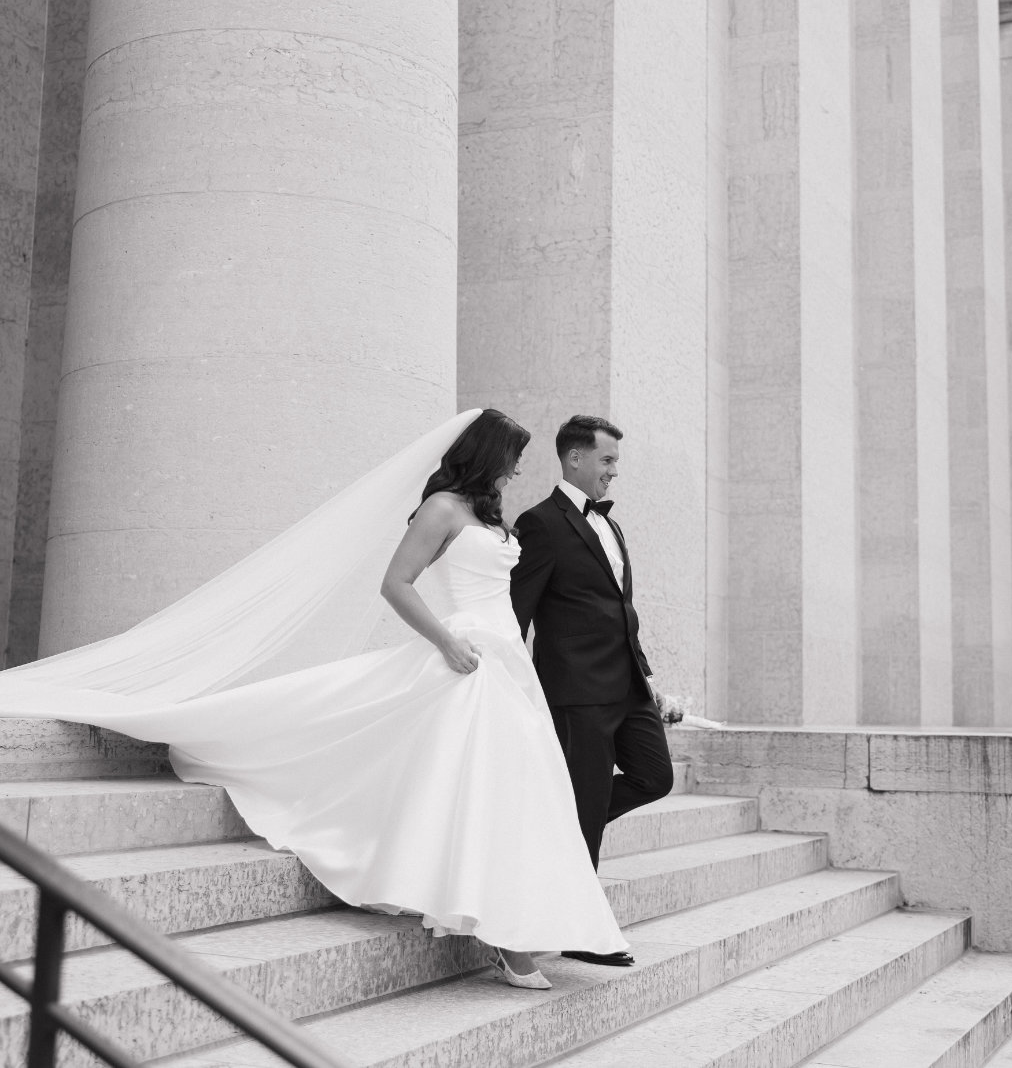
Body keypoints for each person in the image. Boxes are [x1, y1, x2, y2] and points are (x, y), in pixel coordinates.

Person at [0, 407, 625, 990]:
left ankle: (515, 920)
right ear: (486, 455)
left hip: (508, 663)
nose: (518, 469)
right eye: (512, 457)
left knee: (519, 791)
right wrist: (444, 644)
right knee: (482, 786)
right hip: (465, 655)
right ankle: (503, 933)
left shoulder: (493, 517)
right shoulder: (441, 510)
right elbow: (396, 584)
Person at [510, 414, 675, 969]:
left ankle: (571, 824)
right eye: (607, 461)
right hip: (575, 690)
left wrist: (646, 679)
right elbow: (517, 612)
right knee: (582, 808)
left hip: (628, 684)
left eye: (615, 463)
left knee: (656, 777)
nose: (613, 473)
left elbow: (620, 610)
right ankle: (579, 929)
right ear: (574, 459)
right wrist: (515, 686)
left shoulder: (612, 525)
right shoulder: (539, 524)